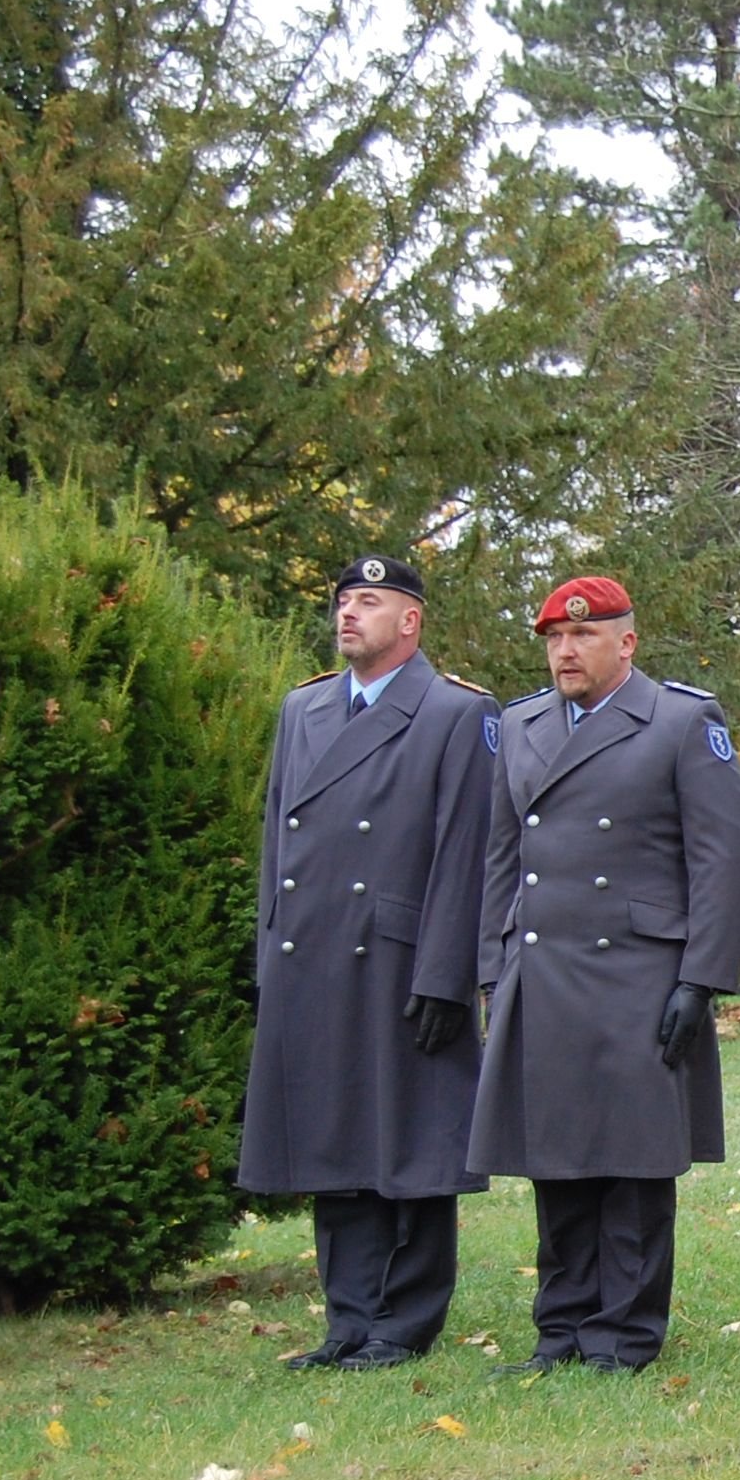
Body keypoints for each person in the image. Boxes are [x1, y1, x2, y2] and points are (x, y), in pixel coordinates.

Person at [467, 576, 740, 1374]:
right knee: (554, 1160)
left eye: (583, 637)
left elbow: (721, 860)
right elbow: (501, 858)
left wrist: (700, 980)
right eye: (555, 638)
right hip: (543, 969)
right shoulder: (519, 724)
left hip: (639, 973)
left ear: (626, 643)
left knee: (630, 1164)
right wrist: (495, 967)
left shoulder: (679, 721)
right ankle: (559, 1333)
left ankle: (622, 1336)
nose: (566, 650)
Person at [240, 554, 496, 1371]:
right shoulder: (303, 707)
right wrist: (268, 953)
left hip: (399, 956)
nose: (349, 613)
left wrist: (446, 972)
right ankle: (347, 1319)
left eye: (370, 601)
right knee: (333, 1142)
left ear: (410, 620)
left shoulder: (457, 712)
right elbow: (279, 834)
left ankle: (405, 1321)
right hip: (311, 955)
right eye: (344, 599)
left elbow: (467, 848)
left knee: (412, 1142)